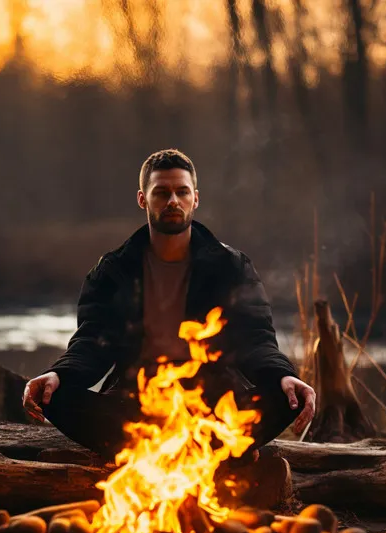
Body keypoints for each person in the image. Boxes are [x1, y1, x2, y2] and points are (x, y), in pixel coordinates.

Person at [23, 149, 316, 460]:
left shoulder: (230, 266)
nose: (173, 201)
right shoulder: (113, 271)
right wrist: (59, 375)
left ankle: (196, 450)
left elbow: (255, 338)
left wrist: (283, 375)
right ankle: (204, 455)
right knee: (55, 397)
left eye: (182, 191)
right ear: (143, 199)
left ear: (195, 199)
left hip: (213, 408)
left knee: (287, 397)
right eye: (161, 192)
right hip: (137, 407)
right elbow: (92, 343)